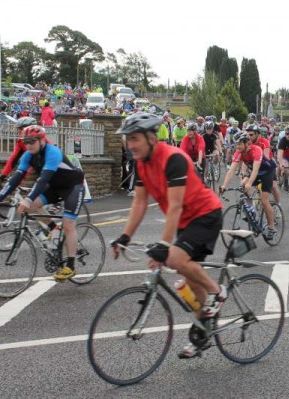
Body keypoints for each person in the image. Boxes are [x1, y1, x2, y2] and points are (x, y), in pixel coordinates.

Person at [110, 113, 226, 358]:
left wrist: (164, 246)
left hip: (205, 214)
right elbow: (140, 203)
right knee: (191, 281)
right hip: (185, 220)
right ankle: (203, 332)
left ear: (151, 138)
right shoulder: (142, 162)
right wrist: (124, 236)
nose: (130, 145)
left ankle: (217, 292)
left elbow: (174, 206)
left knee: (175, 259)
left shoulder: (172, 159)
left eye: (134, 138)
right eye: (127, 139)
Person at [0, 125, 85, 281]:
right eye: (25, 142)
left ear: (41, 140)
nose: (28, 145)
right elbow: (16, 178)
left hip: (72, 187)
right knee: (30, 209)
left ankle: (70, 266)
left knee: (68, 225)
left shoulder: (53, 152)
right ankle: (53, 228)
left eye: (32, 141)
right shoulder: (28, 155)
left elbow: (43, 180)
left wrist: (27, 199)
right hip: (54, 187)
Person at [220, 132, 278, 240]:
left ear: (247, 143)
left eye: (240, 144)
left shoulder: (256, 150)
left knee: (264, 200)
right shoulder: (238, 152)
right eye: (236, 144)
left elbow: (255, 170)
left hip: (267, 172)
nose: (237, 147)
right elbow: (232, 170)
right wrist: (223, 186)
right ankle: (252, 211)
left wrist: (249, 183)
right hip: (255, 173)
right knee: (242, 185)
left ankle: (271, 227)